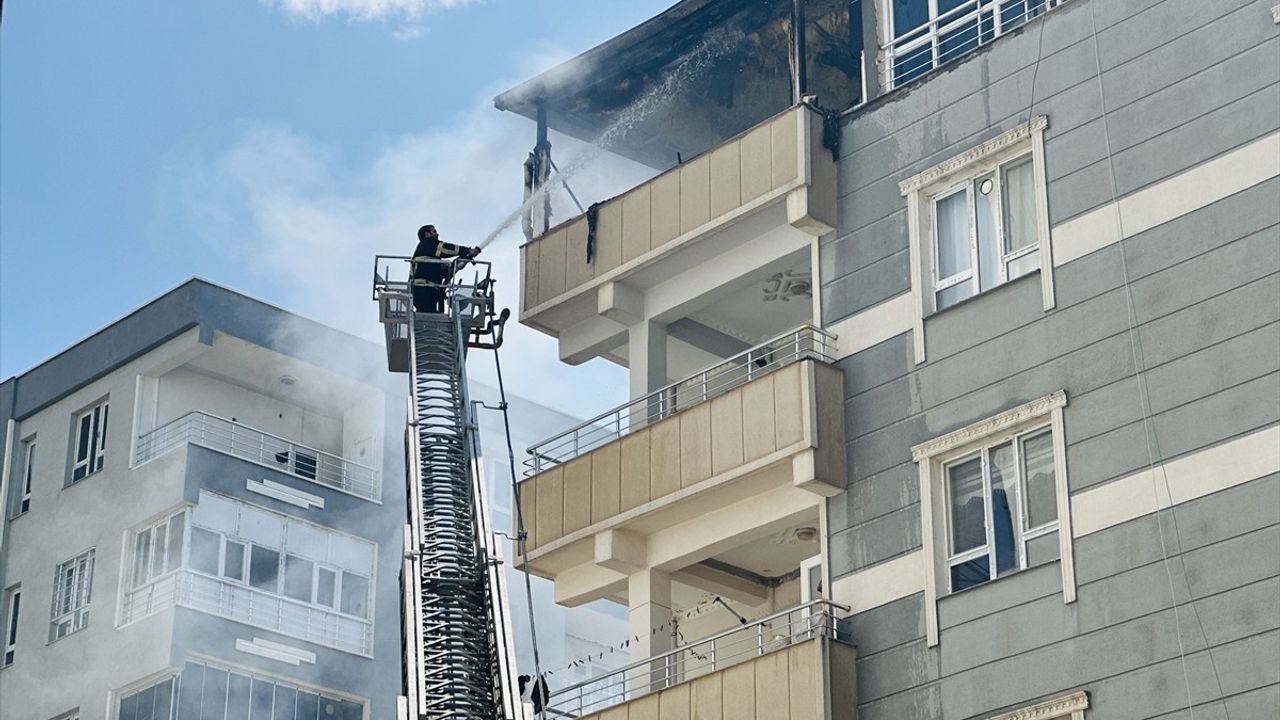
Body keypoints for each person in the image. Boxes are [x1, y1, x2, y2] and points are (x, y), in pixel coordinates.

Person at [411, 224, 480, 313]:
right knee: (429, 314)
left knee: (430, 313)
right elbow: (446, 249)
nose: (437, 234)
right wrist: (468, 250)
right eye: (434, 231)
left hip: (425, 290)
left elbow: (443, 272)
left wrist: (459, 262)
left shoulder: (430, 257)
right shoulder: (427, 243)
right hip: (423, 290)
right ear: (427, 234)